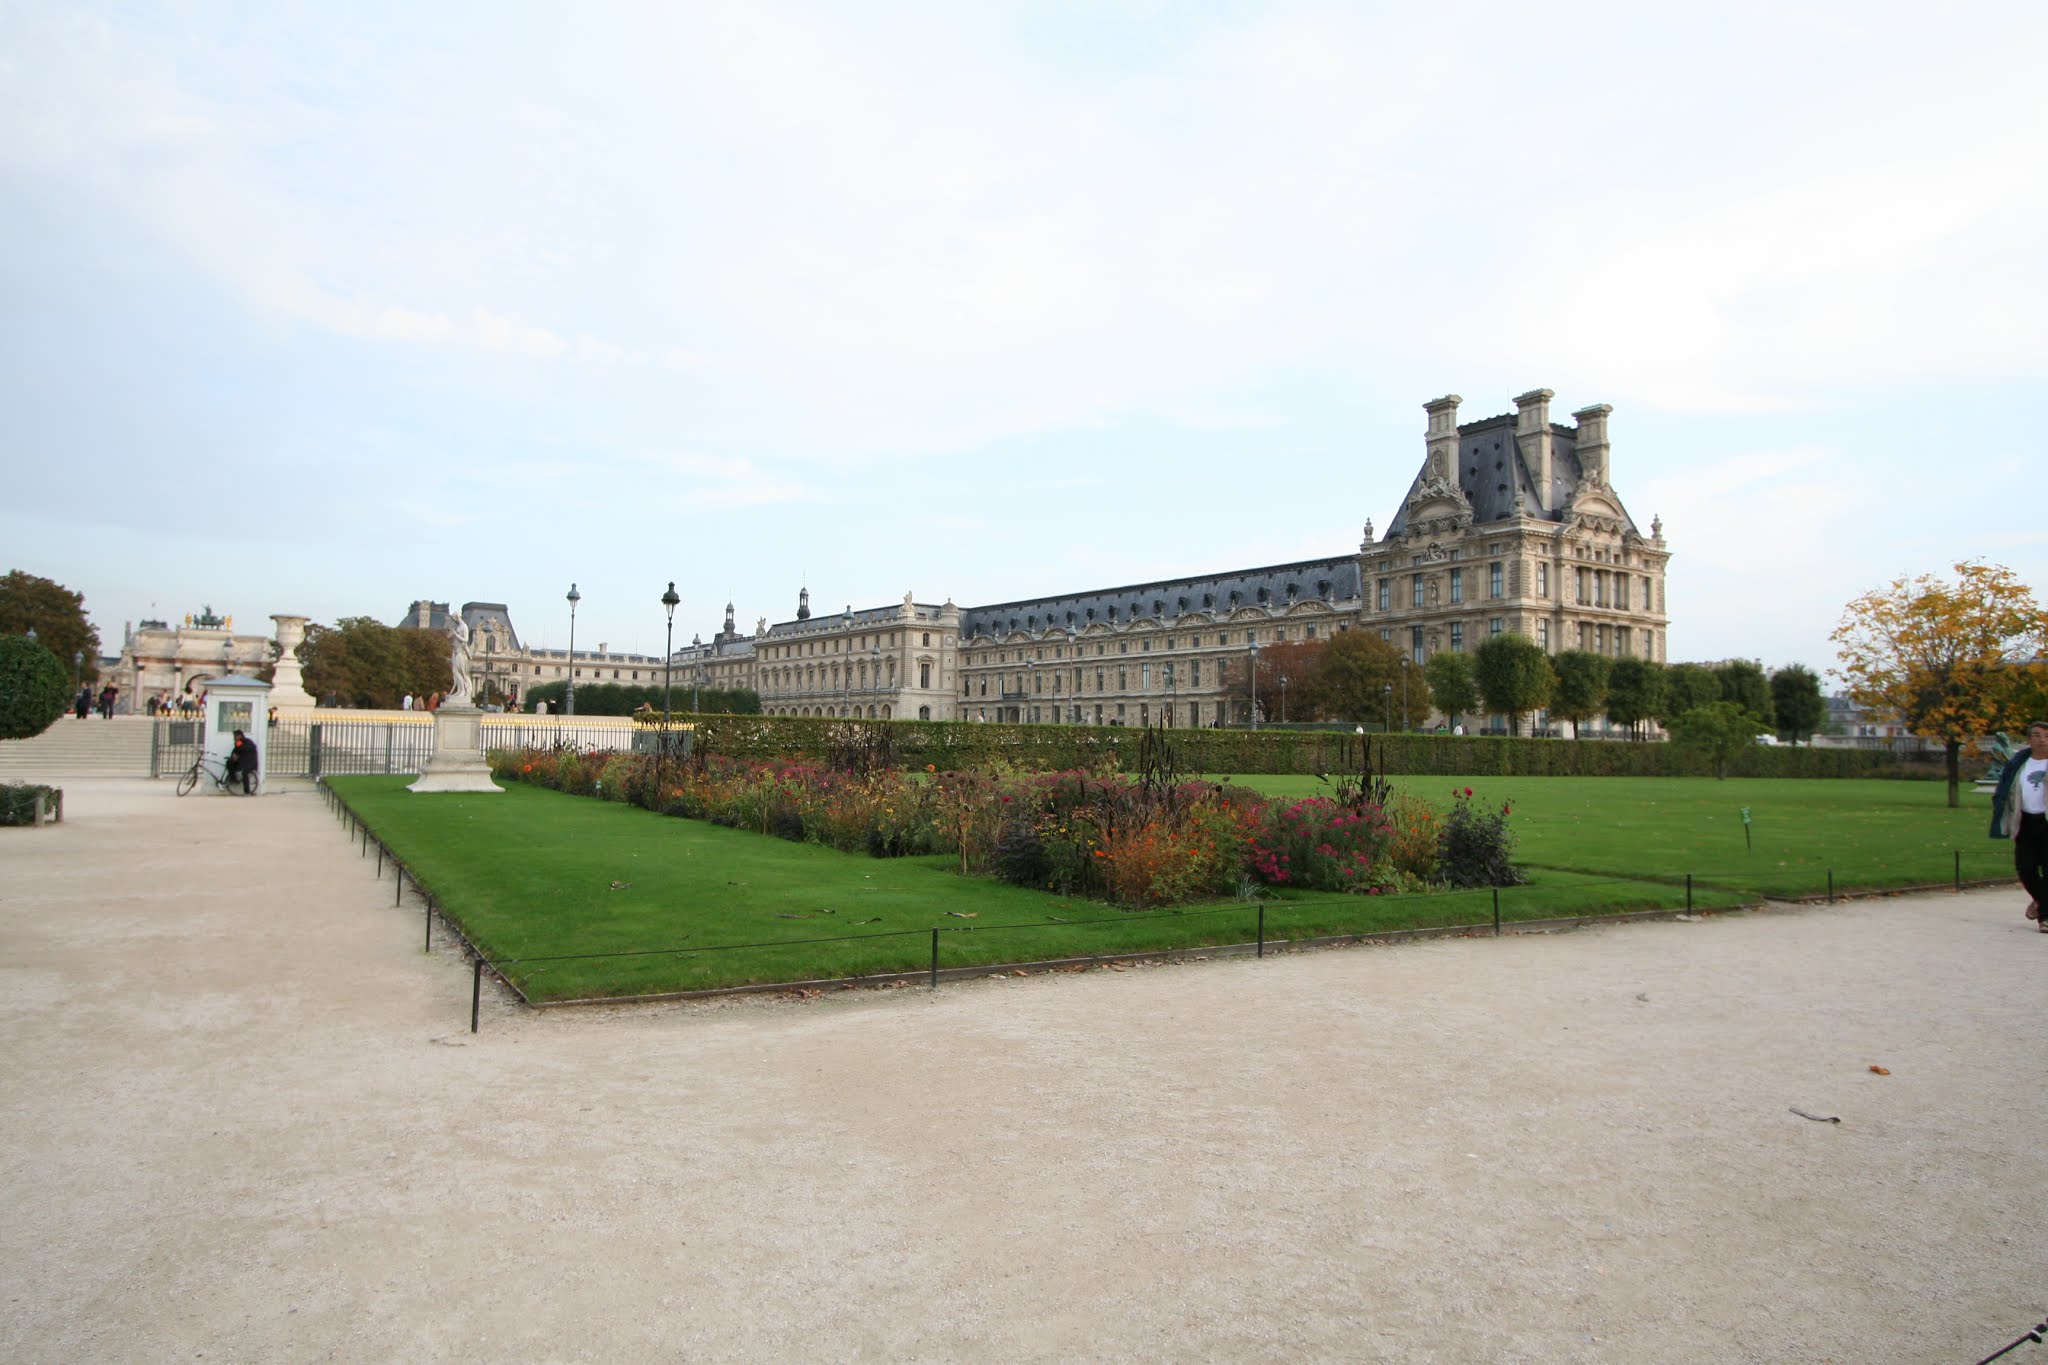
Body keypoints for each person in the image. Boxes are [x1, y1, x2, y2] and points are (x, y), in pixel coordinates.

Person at [1988, 720, 2048, 932]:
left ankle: (2045, 917)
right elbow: (2004, 789)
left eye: (2046, 736)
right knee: (2025, 868)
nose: (2042, 740)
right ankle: (2041, 900)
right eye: (2037, 735)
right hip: (2025, 821)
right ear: (2029, 739)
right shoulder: (2018, 763)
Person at [224, 729, 260, 794]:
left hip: (250, 762)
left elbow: (245, 750)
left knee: (244, 773)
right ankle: (233, 779)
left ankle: (247, 791)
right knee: (229, 762)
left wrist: (238, 755)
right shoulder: (239, 743)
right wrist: (234, 756)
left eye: (235, 736)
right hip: (242, 762)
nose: (234, 738)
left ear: (240, 736)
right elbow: (235, 750)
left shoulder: (248, 742)